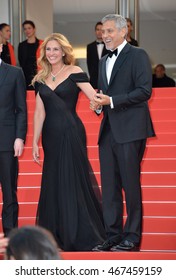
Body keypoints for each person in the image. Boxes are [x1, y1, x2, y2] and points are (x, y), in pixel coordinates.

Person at [31, 33, 105, 251]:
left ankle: (81, 233)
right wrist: (34, 141)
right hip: (50, 136)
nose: (51, 53)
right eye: (48, 49)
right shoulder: (40, 78)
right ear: (44, 53)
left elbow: (94, 97)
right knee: (53, 181)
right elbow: (38, 113)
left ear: (63, 51)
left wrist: (98, 106)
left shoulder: (75, 72)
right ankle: (55, 235)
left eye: (55, 49)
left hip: (71, 132)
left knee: (72, 179)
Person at [90, 14, 155, 252]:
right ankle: (113, 235)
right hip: (108, 130)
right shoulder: (103, 59)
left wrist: (112, 101)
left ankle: (132, 236)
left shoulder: (138, 55)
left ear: (122, 32)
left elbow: (144, 91)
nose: (104, 35)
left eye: (109, 31)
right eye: (102, 31)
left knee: (130, 184)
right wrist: (98, 104)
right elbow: (103, 93)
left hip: (131, 128)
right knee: (109, 187)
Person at [0, 42, 27, 237]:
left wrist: (19, 137)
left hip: (7, 141)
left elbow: (21, 109)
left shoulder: (15, 73)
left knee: (9, 192)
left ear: (1, 47)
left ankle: (10, 239)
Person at [18, 20, 43, 90]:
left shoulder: (42, 44)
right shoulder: (21, 45)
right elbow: (21, 62)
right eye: (25, 29)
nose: (27, 31)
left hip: (39, 75)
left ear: (34, 29)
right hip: (25, 76)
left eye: (29, 28)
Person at [86, 22, 109, 89]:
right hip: (94, 80)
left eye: (101, 30)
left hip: (107, 78)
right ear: (95, 31)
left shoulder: (110, 46)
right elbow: (89, 64)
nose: (99, 32)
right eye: (97, 30)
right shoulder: (90, 46)